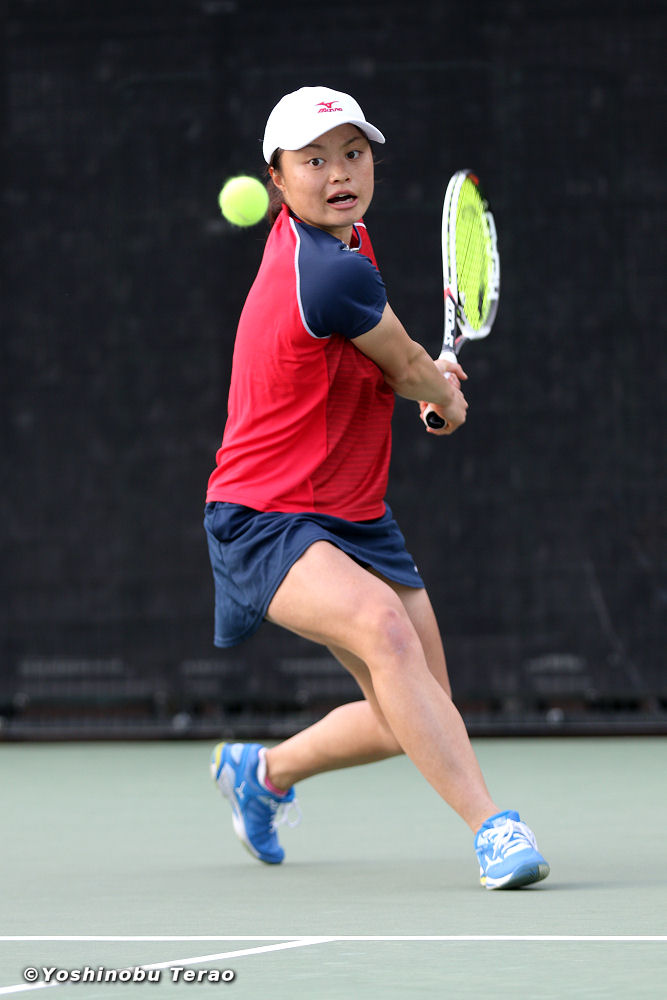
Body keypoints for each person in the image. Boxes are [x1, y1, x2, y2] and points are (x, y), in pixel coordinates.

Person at [204, 86, 549, 890]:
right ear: (276, 179)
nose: (339, 174)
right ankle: (493, 828)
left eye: (353, 154)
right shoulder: (327, 269)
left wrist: (424, 378)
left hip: (352, 513)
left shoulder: (342, 240)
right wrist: (440, 392)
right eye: (313, 160)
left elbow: (379, 364)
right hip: (265, 514)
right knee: (385, 633)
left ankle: (263, 774)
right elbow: (402, 365)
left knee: (418, 712)